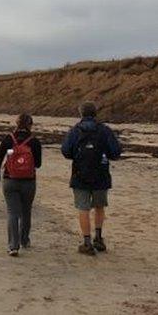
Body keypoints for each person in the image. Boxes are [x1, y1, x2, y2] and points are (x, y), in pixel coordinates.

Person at [61, 101, 122, 256]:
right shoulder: (104, 130)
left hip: (80, 175)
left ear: (80, 114)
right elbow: (116, 152)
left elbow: (66, 151)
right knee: (100, 207)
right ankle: (99, 238)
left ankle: (87, 242)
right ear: (95, 113)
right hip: (101, 175)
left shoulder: (75, 131)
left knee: (83, 209)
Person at [0, 113, 42, 256]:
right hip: (29, 181)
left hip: (10, 179)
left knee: (12, 212)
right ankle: (24, 240)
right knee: (26, 211)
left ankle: (13, 246)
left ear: (16, 124)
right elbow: (38, 164)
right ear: (30, 125)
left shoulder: (9, 139)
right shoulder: (34, 142)